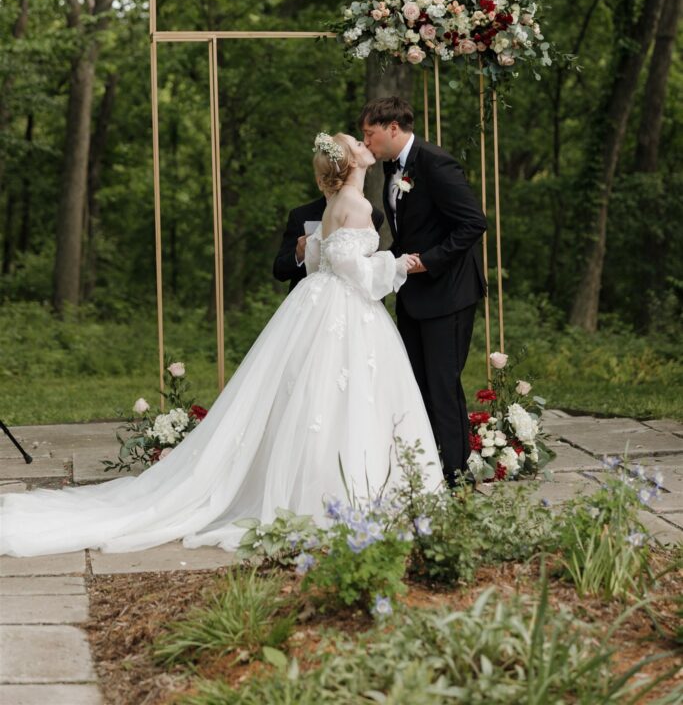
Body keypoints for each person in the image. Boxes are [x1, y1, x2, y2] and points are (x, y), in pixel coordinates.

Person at [0, 133, 441, 557]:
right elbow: (355, 274)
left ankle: (325, 484)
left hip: (320, 305)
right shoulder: (357, 205)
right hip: (345, 308)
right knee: (344, 399)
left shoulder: (334, 205)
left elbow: (317, 262)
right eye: (357, 144)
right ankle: (340, 493)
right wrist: (398, 263)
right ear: (350, 162)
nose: (366, 146)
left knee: (320, 398)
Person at [359, 97, 487, 483]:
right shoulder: (390, 166)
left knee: (443, 385)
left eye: (370, 134)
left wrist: (429, 260)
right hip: (413, 295)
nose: (366, 143)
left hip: (448, 294)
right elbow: (408, 232)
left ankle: (457, 473)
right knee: (415, 384)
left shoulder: (436, 164)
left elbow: (473, 222)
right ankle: (426, 470)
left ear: (393, 128)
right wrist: (385, 266)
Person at [273, 188, 384, 293]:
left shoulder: (372, 214)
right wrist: (299, 254)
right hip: (310, 299)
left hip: (354, 299)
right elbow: (279, 271)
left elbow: (374, 268)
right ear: (320, 182)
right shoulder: (300, 215)